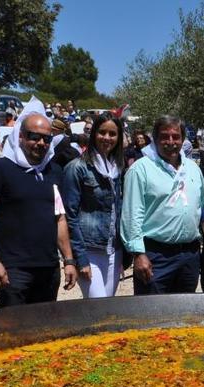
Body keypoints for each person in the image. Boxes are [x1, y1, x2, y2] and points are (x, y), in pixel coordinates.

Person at [0, 106, 77, 307]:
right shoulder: (0, 168)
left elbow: (60, 218)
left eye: (46, 139)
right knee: (12, 333)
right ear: (21, 136)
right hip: (14, 269)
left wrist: (68, 260)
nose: (40, 143)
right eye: (34, 137)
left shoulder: (54, 171)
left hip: (48, 269)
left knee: (43, 332)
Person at [121, 115, 204, 295]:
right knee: (151, 315)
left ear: (183, 139)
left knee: (184, 315)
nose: (170, 141)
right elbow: (131, 214)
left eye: (176, 136)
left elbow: (202, 207)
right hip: (155, 256)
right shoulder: (140, 169)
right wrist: (138, 254)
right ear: (155, 138)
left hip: (189, 255)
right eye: (164, 136)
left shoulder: (193, 169)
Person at [62, 113, 126, 299]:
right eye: (102, 132)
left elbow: (119, 209)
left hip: (114, 250)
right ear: (93, 134)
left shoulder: (118, 168)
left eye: (112, 134)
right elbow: (70, 215)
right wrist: (79, 258)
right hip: (89, 250)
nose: (107, 138)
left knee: (106, 307)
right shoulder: (77, 168)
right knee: (98, 306)